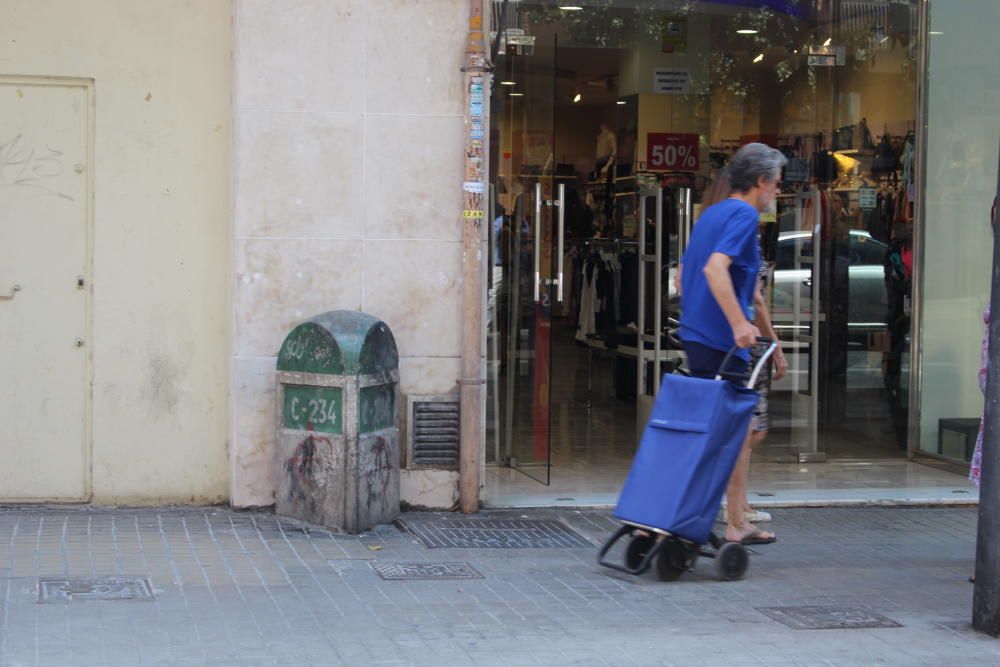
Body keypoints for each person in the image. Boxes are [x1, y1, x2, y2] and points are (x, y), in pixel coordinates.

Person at [678, 143, 787, 545]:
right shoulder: (743, 214)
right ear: (760, 182)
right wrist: (740, 325)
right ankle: (734, 521)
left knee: (729, 431)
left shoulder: (712, 215)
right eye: (776, 185)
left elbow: (687, 275)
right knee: (735, 432)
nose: (777, 192)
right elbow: (714, 270)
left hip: (698, 335)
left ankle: (730, 516)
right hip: (723, 341)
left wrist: (773, 343)